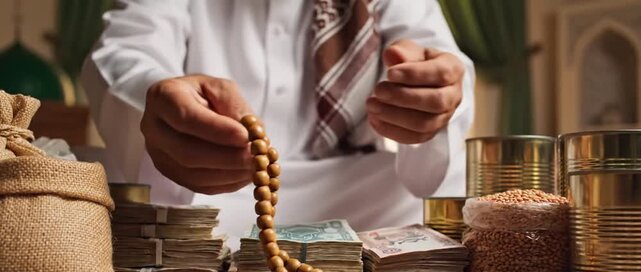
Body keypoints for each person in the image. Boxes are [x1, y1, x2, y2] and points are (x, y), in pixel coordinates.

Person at [82, 0, 475, 248]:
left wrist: (434, 96)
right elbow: (125, 52)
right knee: (93, 178)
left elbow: (441, 63)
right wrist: (157, 100)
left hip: (356, 198)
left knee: (453, 196)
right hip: (205, 198)